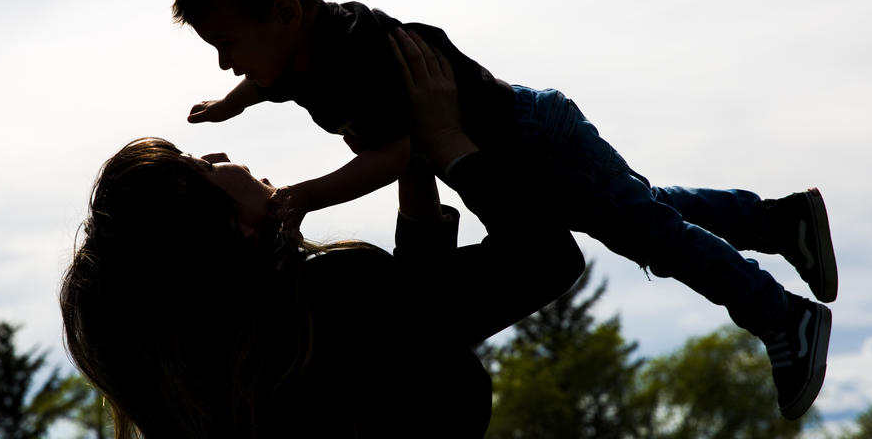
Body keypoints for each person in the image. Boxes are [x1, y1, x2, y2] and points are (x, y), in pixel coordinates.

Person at [175, 0, 835, 419]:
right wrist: (230, 104)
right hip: (511, 158)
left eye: (227, 44)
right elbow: (271, 87)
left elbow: (399, 154)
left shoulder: (354, 60)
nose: (227, 63)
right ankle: (781, 223)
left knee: (647, 232)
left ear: (286, 13)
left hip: (529, 138)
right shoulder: (294, 62)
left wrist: (306, 195)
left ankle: (782, 317)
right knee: (637, 213)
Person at [61, 32, 585, 437]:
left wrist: (413, 164)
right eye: (200, 166)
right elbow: (545, 259)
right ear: (233, 228)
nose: (219, 155)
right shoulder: (340, 301)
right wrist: (449, 143)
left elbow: (420, 312)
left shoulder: (258, 378)